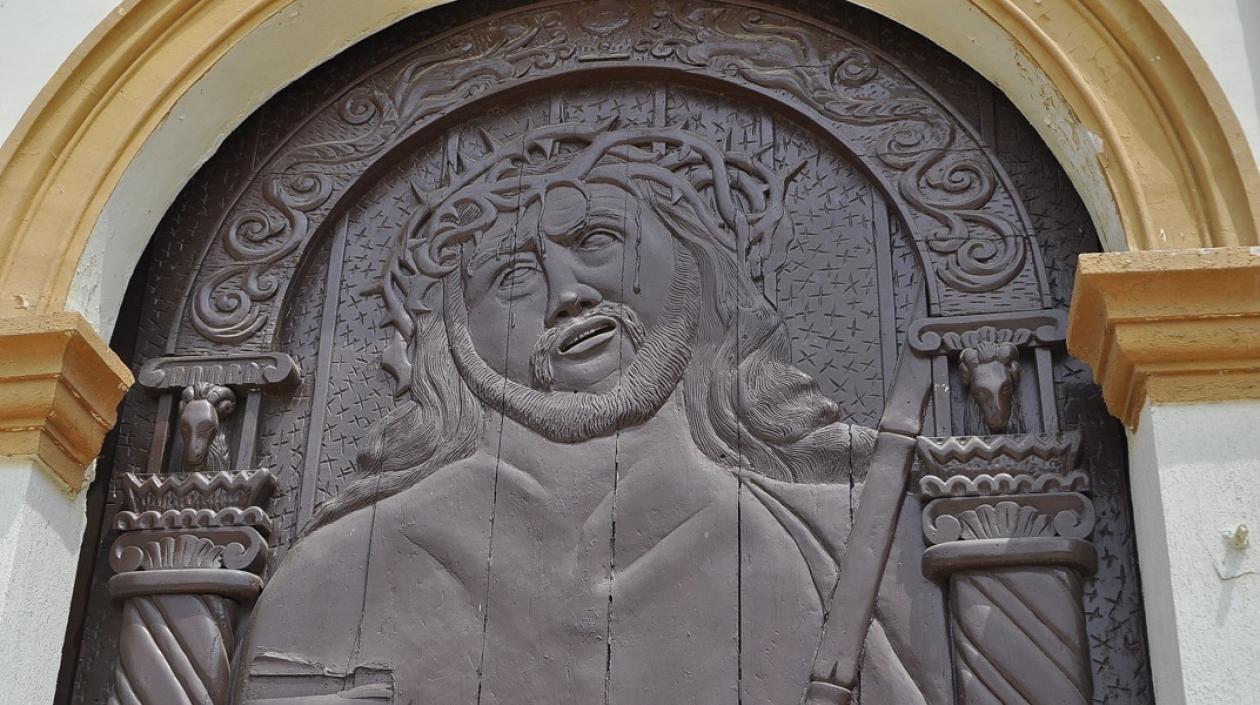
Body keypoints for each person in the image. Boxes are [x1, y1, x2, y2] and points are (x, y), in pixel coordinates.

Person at [234, 124, 927, 704]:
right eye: (513, 277)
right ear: (455, 342)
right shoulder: (347, 570)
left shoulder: (844, 541)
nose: (569, 295)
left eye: (598, 241)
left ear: (697, 271)